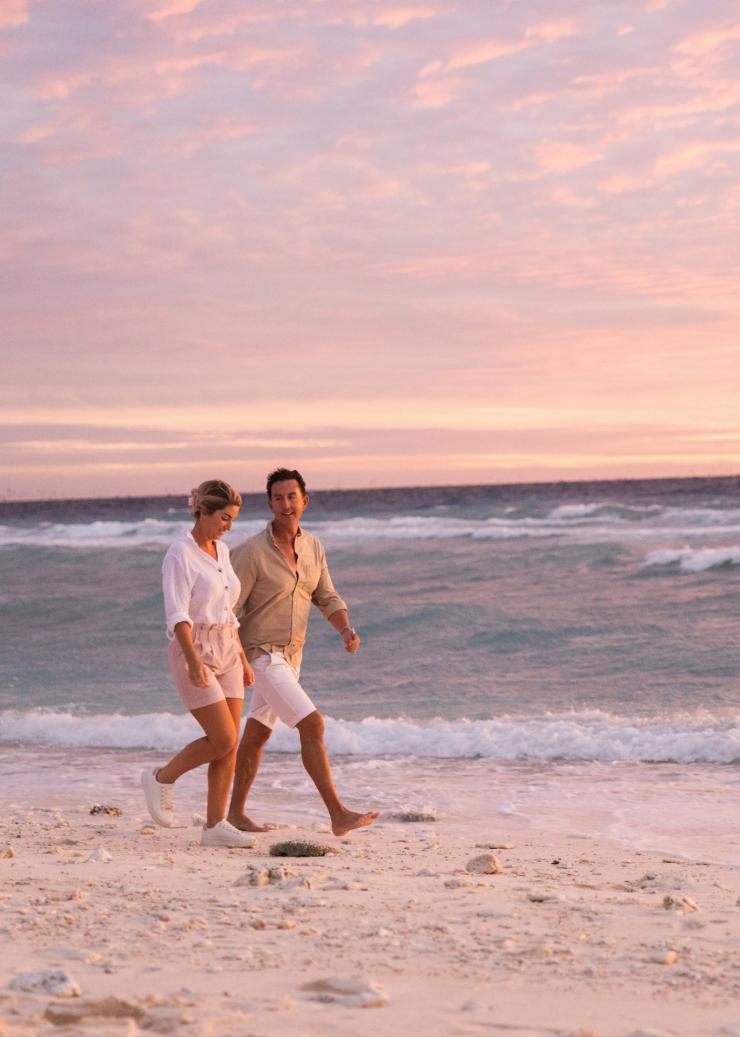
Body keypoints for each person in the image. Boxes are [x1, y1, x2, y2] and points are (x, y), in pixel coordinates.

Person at [226, 467, 380, 837]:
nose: (285, 504)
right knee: (312, 724)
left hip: (291, 658)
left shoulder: (313, 548)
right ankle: (338, 814)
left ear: (304, 501)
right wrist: (238, 659)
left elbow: (326, 595)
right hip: (261, 654)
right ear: (269, 504)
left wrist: (345, 628)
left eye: (292, 497)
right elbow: (226, 611)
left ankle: (234, 814)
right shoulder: (250, 553)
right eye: (278, 498)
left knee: (258, 734)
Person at [141, 479, 256, 848]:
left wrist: (241, 655)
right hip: (195, 649)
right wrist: (192, 661)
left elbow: (227, 610)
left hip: (228, 650)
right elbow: (177, 614)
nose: (229, 526)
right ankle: (162, 777)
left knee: (231, 744)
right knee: (221, 737)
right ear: (203, 511)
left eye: (233, 519)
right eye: (224, 517)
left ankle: (214, 826)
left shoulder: (221, 552)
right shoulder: (179, 554)